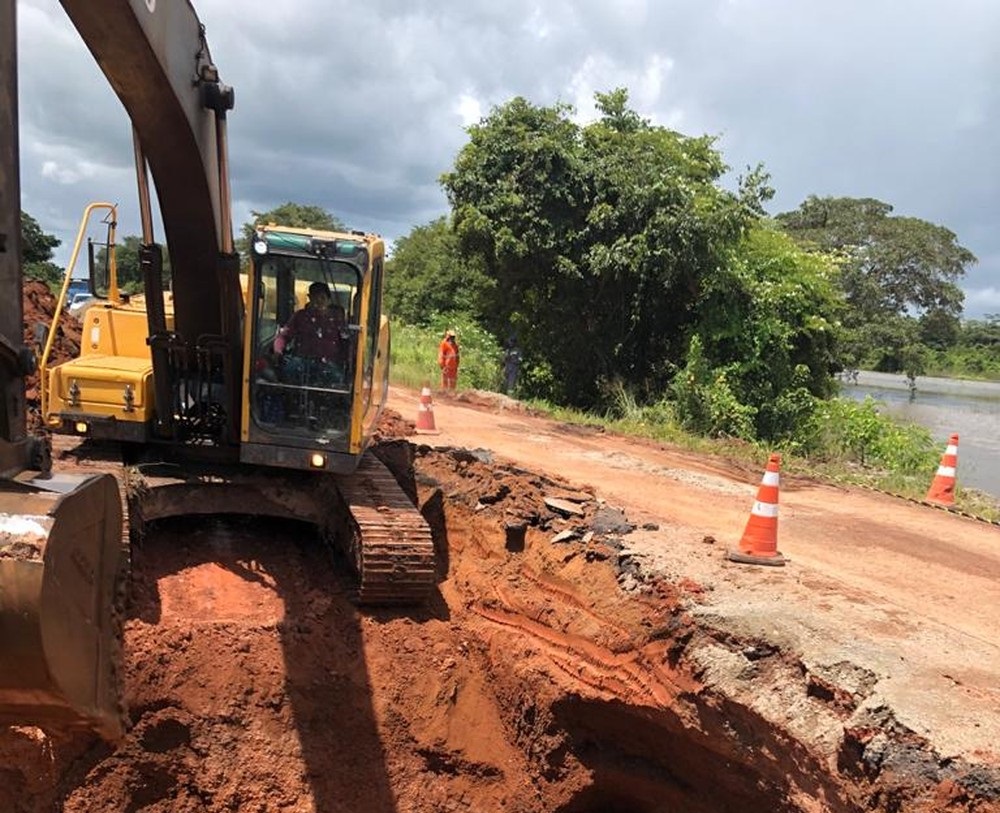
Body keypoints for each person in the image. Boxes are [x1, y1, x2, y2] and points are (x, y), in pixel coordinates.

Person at [273, 281, 347, 385]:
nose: (319, 302)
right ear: (309, 298)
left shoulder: (337, 319)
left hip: (329, 364)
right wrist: (278, 350)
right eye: (315, 298)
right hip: (302, 361)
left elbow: (346, 341)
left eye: (322, 298)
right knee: (288, 372)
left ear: (329, 300)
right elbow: (283, 336)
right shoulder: (300, 316)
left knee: (337, 379)